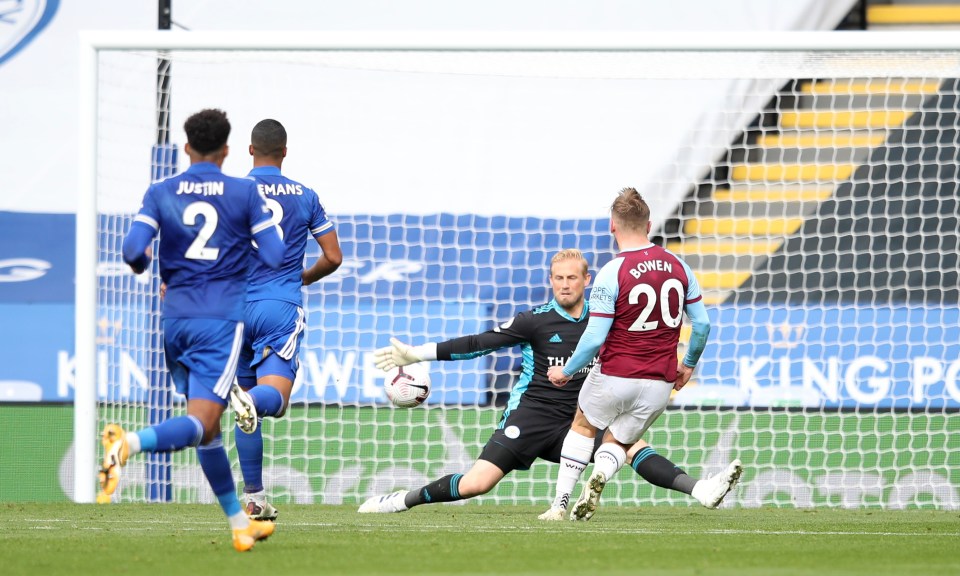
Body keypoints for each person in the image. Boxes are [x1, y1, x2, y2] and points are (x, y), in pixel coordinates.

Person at [358, 248, 740, 516]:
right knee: (476, 484)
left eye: (572, 277)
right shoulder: (534, 321)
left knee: (630, 446)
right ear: (551, 281)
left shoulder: (605, 319)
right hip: (531, 416)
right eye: (558, 278)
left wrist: (680, 361)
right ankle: (400, 501)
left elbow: (649, 340)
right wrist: (417, 354)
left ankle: (701, 489)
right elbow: (478, 344)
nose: (565, 284)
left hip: (581, 418)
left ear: (587, 280)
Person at [100, 109, 284, 552]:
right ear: (226, 150)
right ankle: (126, 443)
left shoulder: (162, 190)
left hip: (175, 321)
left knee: (209, 429)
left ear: (186, 148)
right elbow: (276, 255)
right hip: (219, 323)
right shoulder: (243, 191)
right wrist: (235, 257)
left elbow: (131, 251)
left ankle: (241, 524)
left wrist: (150, 265)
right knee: (203, 422)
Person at [543, 188, 740, 522]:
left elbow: (594, 337)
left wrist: (568, 370)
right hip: (659, 383)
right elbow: (703, 326)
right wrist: (687, 365)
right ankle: (601, 474)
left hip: (615, 374)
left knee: (583, 423)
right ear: (649, 225)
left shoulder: (612, 270)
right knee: (619, 440)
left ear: (612, 227)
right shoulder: (679, 267)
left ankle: (558, 506)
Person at [227, 119, 343, 521]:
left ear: (250, 150)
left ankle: (255, 497)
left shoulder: (229, 192)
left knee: (247, 412)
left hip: (230, 308)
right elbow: (333, 256)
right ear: (285, 151)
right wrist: (304, 278)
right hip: (278, 306)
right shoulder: (305, 195)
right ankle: (248, 401)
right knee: (271, 402)